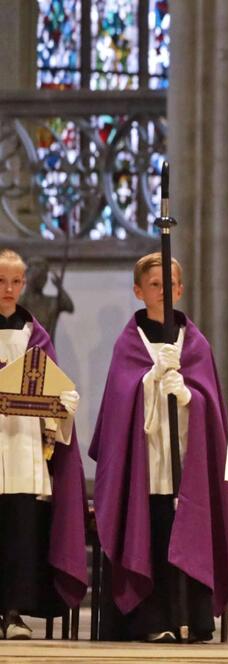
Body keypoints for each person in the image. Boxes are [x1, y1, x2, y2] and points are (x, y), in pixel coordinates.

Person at [89, 252, 228, 643]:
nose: (164, 291)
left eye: (171, 284)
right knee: (150, 531)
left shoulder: (195, 343)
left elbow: (212, 408)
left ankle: (189, 618)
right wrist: (148, 381)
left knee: (183, 531)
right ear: (139, 291)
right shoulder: (129, 344)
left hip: (183, 463)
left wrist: (190, 398)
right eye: (155, 285)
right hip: (144, 464)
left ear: (181, 288)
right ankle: (149, 619)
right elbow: (117, 404)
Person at [0, 249, 87, 640]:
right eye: (1, 281)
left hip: (23, 447)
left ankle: (13, 612)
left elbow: (51, 384)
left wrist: (62, 405)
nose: (9, 288)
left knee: (21, 528)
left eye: (15, 281)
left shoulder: (36, 334)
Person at [17, 256, 74, 342]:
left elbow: (69, 307)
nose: (42, 280)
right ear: (27, 275)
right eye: (38, 276)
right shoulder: (18, 302)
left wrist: (59, 288)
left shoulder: (51, 302)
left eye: (44, 277)